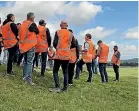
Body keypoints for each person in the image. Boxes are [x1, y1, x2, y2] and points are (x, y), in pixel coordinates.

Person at [49, 20, 75, 92]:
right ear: (67, 26)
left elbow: (54, 43)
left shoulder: (58, 32)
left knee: (55, 71)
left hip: (59, 55)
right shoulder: (71, 34)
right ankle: (65, 88)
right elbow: (73, 44)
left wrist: (58, 48)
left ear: (60, 25)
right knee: (65, 72)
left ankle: (57, 86)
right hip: (66, 55)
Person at [19, 12, 39, 85]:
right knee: (29, 62)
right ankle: (28, 79)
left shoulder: (22, 25)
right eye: (34, 17)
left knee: (25, 61)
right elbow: (38, 31)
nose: (34, 18)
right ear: (31, 18)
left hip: (24, 46)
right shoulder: (31, 24)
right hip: (30, 46)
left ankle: (24, 76)